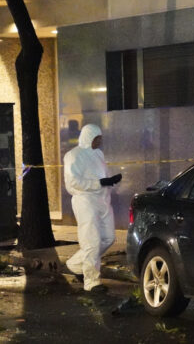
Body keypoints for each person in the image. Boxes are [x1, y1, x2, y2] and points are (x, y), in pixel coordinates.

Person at [63, 124, 122, 293]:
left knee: (108, 238)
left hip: (102, 200)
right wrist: (100, 183)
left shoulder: (98, 154)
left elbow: (100, 176)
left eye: (100, 138)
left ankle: (75, 265)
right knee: (92, 241)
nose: (100, 141)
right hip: (85, 201)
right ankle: (91, 281)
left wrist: (109, 181)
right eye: (97, 138)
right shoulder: (73, 155)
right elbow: (73, 183)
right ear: (89, 137)